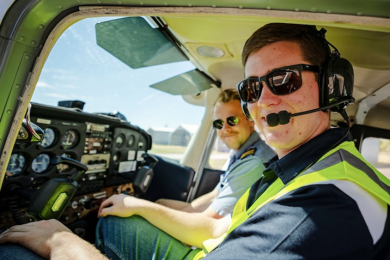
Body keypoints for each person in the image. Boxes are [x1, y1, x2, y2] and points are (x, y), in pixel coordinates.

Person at [1, 22, 390, 260]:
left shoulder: (323, 205)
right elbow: (216, 230)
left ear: (331, 87)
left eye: (283, 80)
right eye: (252, 88)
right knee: (116, 221)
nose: (264, 100)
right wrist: (139, 204)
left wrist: (66, 246)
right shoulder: (295, 167)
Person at [155, 89, 275, 219]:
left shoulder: (254, 161)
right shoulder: (239, 155)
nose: (225, 128)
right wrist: (183, 209)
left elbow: (209, 222)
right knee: (159, 203)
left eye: (232, 120)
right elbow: (213, 196)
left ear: (250, 120)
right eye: (219, 123)